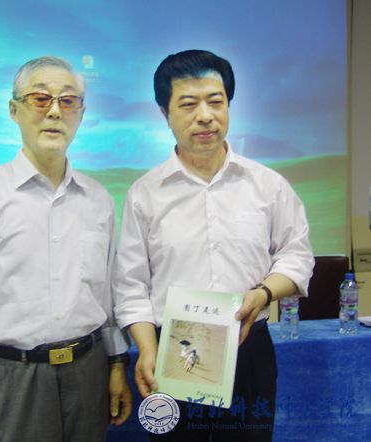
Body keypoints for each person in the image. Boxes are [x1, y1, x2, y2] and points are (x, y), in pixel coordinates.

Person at [112, 49, 314, 441]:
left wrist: (263, 293)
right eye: (188, 104)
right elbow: (131, 285)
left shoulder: (267, 185)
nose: (205, 115)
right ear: (164, 113)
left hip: (247, 346)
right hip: (174, 352)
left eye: (215, 102)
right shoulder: (144, 195)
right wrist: (148, 349)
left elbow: (297, 254)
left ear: (228, 106)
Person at [0, 56, 132, 442]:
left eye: (68, 101)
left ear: (81, 114)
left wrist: (116, 365)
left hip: (88, 370)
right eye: (40, 99)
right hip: (13, 376)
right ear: (15, 110)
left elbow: (106, 293)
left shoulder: (98, 199)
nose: (55, 112)